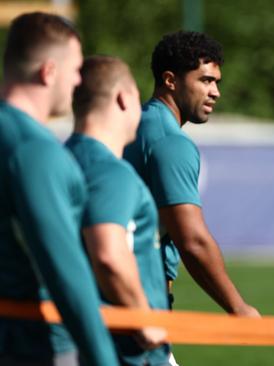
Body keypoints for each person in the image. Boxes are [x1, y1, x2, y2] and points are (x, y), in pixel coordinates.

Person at [0, 12, 118, 366]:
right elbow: (65, 270)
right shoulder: (35, 151)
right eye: (76, 69)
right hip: (32, 345)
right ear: (49, 71)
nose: (80, 81)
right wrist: (103, 357)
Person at [123, 31, 259, 318]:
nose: (215, 92)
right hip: (140, 298)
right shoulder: (169, 141)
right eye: (205, 80)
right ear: (170, 80)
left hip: (117, 291)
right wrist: (238, 308)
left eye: (216, 82)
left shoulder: (139, 123)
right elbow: (193, 240)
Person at [66, 56, 170, 366]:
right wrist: (144, 318)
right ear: (124, 99)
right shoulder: (111, 172)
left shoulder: (62, 160)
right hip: (126, 348)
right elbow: (109, 254)